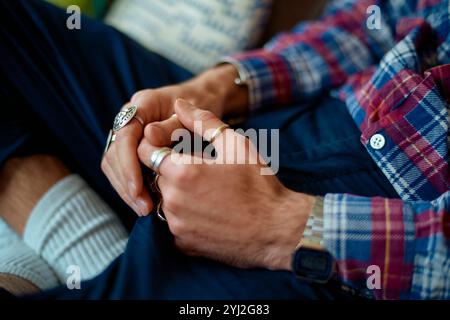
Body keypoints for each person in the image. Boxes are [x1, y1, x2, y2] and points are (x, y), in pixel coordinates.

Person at [0, 0, 448, 300]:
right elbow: (372, 21)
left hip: (377, 223)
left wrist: (282, 226)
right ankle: (103, 255)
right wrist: (208, 90)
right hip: (322, 111)